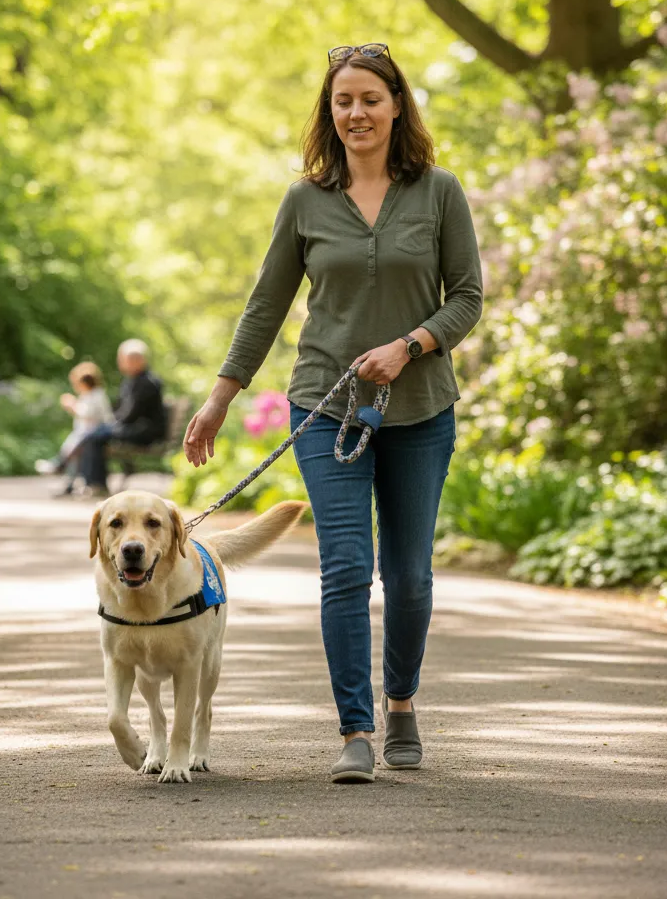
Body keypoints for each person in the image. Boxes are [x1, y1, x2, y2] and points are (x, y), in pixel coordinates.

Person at [182, 42, 483, 784]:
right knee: (345, 567)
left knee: (408, 576)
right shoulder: (304, 201)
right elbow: (266, 304)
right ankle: (355, 727)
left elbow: (467, 298)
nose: (356, 113)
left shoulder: (439, 192)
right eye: (343, 101)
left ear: (396, 106)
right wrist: (221, 395)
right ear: (330, 112)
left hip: (419, 408)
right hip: (325, 405)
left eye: (370, 100)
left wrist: (411, 345)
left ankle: (401, 703)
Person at [72, 340, 168, 498]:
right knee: (93, 434)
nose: (120, 363)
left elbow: (131, 414)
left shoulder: (147, 382)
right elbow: (121, 411)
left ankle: (96, 484)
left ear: (136, 360)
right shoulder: (132, 381)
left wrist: (111, 425)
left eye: (122, 359)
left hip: (146, 432)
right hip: (134, 428)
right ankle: (92, 482)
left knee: (95, 436)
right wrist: (110, 424)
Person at [34, 361, 114, 492]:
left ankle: (58, 465)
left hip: (96, 434)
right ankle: (64, 475)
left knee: (74, 449)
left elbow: (89, 414)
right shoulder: (87, 396)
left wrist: (72, 405)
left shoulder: (97, 395)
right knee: (73, 451)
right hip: (84, 433)